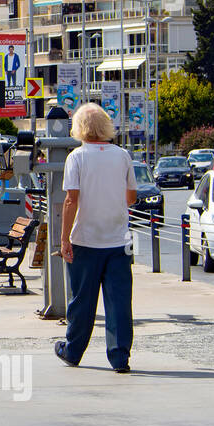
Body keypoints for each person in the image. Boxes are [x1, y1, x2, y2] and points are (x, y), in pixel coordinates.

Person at [55, 103, 138, 374]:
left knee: (82, 300)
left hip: (85, 240)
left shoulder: (76, 157)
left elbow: (71, 200)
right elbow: (132, 197)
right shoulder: (123, 155)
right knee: (119, 302)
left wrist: (64, 239)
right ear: (105, 126)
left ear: (79, 128)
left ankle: (73, 350)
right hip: (118, 240)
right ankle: (119, 357)